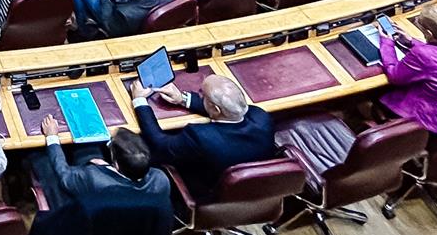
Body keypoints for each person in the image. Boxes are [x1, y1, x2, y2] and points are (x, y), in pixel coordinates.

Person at [134, 73, 275, 205]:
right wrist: (182, 99)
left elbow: (159, 143)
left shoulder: (201, 137)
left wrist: (139, 101)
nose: (200, 96)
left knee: (141, 149)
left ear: (215, 109)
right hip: (253, 193)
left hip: (208, 197)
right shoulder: (261, 117)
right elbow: (228, 111)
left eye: (203, 95)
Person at [32, 122, 169, 217]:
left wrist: (52, 137)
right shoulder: (161, 180)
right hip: (128, 226)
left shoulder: (94, 179)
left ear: (116, 164)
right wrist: (106, 168)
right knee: (89, 150)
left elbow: (64, 175)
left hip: (84, 224)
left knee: (40, 159)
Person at [377, 6, 437, 134]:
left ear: (429, 34)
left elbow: (394, 76)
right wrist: (411, 41)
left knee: (369, 95)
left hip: (429, 123)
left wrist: (387, 43)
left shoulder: (422, 54)